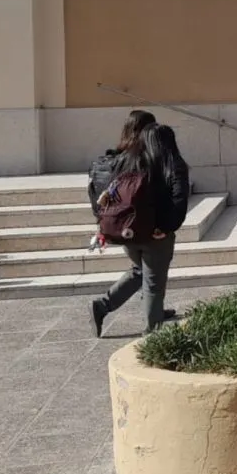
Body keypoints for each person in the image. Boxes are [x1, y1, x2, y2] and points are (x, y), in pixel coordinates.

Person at [89, 122, 190, 337]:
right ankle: (153, 335)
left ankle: (102, 305)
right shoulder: (172, 163)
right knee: (153, 283)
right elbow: (179, 199)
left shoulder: (128, 160)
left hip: (129, 231)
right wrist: (166, 227)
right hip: (156, 234)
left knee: (139, 271)